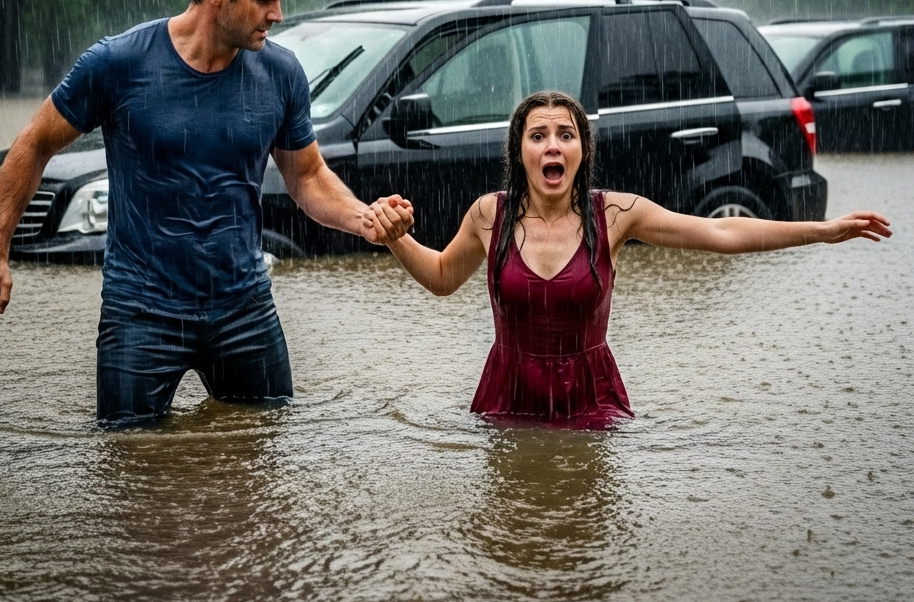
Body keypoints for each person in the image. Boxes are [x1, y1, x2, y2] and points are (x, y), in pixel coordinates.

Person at [0, 0, 413, 425]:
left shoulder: (281, 74)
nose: (277, 15)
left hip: (244, 307)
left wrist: (363, 218)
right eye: (264, 0)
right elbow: (34, 144)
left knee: (264, 447)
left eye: (279, 0)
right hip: (140, 311)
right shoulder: (118, 63)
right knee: (128, 461)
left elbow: (306, 176)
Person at [369, 90, 891, 427]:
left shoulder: (617, 214)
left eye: (566, 135)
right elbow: (440, 277)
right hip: (507, 398)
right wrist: (396, 238)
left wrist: (821, 232)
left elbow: (721, 231)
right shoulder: (489, 216)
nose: (553, 145)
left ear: (581, 151)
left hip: (592, 400)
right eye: (538, 135)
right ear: (520, 152)